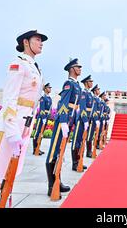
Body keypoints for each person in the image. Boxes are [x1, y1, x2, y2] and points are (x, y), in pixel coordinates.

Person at [0, 30, 47, 207]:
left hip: (24, 126)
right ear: (25, 42)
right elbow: (9, 99)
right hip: (10, 129)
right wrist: (12, 131)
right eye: (37, 39)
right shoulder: (18, 64)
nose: (41, 43)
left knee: (8, 175)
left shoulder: (35, 67)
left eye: (41, 40)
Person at [44, 58, 83, 198]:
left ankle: (57, 181)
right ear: (72, 69)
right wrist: (63, 122)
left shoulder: (76, 85)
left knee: (60, 152)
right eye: (78, 67)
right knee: (54, 151)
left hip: (70, 120)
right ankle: (51, 185)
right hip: (63, 122)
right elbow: (63, 103)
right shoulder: (68, 84)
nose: (80, 69)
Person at [72, 75, 94, 172]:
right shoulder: (83, 93)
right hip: (81, 120)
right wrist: (85, 120)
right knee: (76, 141)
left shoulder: (89, 94)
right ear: (86, 83)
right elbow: (82, 108)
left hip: (87, 120)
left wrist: (90, 119)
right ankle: (75, 163)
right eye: (90, 81)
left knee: (81, 141)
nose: (91, 83)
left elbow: (91, 109)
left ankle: (79, 159)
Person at [32, 83, 52, 155]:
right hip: (41, 118)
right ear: (45, 89)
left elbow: (49, 109)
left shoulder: (49, 98)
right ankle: (35, 149)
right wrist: (43, 118)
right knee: (37, 133)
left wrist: (48, 117)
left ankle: (38, 148)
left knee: (41, 134)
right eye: (49, 88)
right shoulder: (43, 98)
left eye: (50, 88)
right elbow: (42, 109)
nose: (50, 89)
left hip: (46, 117)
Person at [86, 84, 103, 158]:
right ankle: (88, 151)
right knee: (89, 135)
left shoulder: (97, 99)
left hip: (96, 118)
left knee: (92, 134)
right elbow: (94, 110)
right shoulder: (94, 99)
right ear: (95, 91)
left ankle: (90, 150)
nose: (99, 91)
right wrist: (95, 119)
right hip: (92, 119)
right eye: (98, 90)